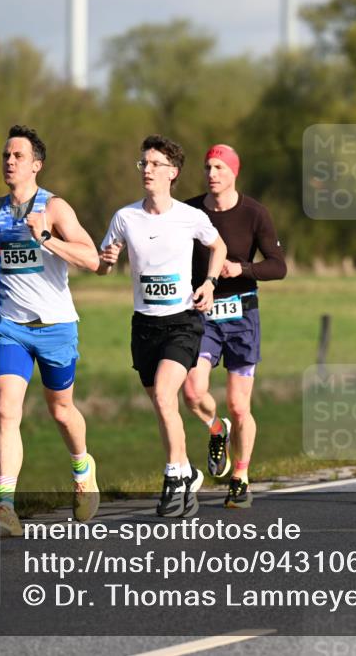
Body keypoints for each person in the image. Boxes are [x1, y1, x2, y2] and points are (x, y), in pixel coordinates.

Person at [0, 125, 101, 537]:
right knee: (7, 411)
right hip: (11, 327)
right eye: (6, 155)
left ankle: (83, 467)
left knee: (60, 410)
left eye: (18, 156)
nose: (9, 162)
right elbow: (4, 258)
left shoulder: (55, 207)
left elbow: (92, 258)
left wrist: (47, 237)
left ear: (36, 165)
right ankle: (5, 504)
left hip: (56, 328)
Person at [97, 135, 226, 518]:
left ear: (173, 173)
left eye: (155, 164)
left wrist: (210, 283)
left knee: (169, 396)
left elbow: (217, 248)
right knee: (160, 404)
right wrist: (106, 259)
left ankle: (173, 475)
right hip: (144, 325)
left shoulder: (191, 217)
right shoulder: (125, 217)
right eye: (143, 164)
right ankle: (186, 472)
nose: (147, 170)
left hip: (182, 322)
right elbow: (104, 266)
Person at [183, 144, 287, 509]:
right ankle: (216, 429)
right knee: (193, 392)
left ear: (234, 172)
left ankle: (241, 475)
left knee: (239, 406)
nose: (212, 174)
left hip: (242, 316)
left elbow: (278, 266)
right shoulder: (190, 211)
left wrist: (241, 269)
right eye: (208, 167)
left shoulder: (255, 213)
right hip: (203, 316)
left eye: (219, 167)